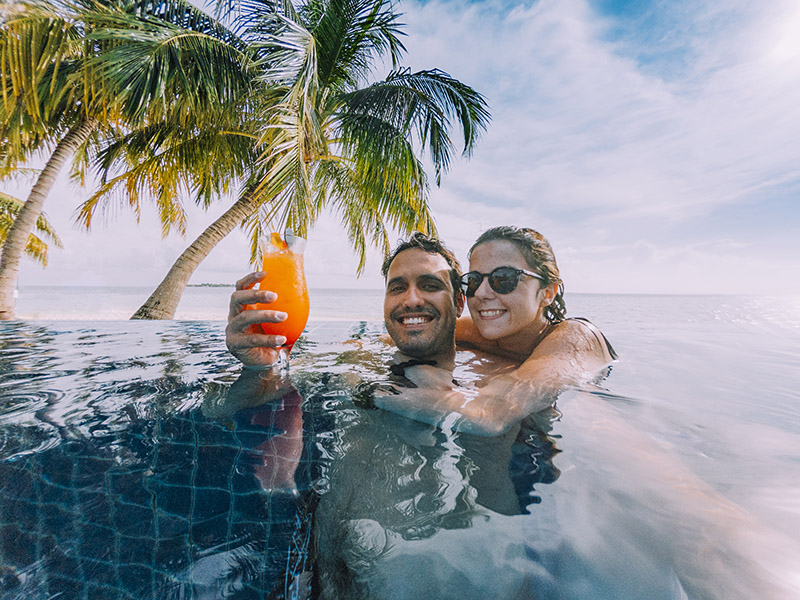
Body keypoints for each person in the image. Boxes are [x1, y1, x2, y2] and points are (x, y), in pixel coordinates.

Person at [374, 226, 617, 435]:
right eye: (474, 281)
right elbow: (411, 332)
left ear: (547, 293)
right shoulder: (482, 332)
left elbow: (489, 416)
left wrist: (372, 390)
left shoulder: (576, 337)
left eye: (504, 279)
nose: (481, 293)